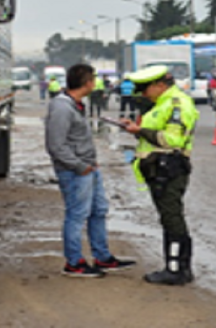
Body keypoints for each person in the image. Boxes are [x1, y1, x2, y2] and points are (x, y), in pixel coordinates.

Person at [45, 63, 136, 278]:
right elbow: (55, 145)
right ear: (88, 83)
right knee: (77, 215)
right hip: (76, 170)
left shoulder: (77, 104)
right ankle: (74, 262)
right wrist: (79, 166)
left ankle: (102, 257)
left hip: (88, 167)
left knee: (98, 211)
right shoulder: (62, 107)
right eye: (94, 79)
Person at [120, 65, 199, 285]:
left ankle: (176, 270)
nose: (141, 94)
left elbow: (173, 140)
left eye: (144, 89)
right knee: (168, 217)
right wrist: (137, 129)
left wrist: (140, 131)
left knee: (172, 218)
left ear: (160, 85)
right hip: (158, 168)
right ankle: (177, 267)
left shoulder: (177, 104)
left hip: (169, 168)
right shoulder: (161, 104)